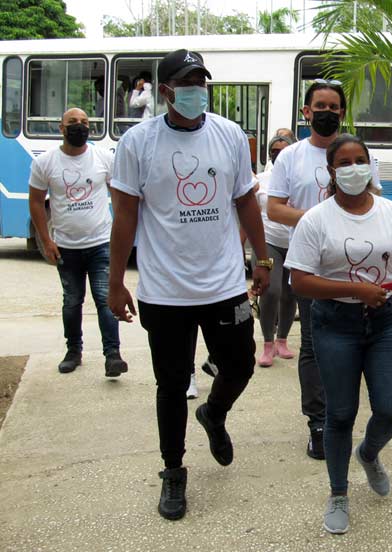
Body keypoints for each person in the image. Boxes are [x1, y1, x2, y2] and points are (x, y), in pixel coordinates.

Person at [107, 49, 271, 521]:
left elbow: (245, 201)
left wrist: (261, 257)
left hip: (224, 284)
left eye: (201, 80)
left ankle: (214, 413)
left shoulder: (230, 135)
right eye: (186, 81)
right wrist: (117, 283)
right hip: (165, 291)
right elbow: (125, 217)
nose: (196, 89)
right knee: (172, 383)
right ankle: (174, 471)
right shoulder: (137, 143)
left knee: (239, 364)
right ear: (165, 91)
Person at [285, 134, 392, 534]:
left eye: (360, 160)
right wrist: (355, 290)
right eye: (343, 163)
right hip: (334, 324)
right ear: (331, 171)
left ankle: (369, 453)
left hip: (384, 323)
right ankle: (338, 492)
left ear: (370, 165)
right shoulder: (316, 219)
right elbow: (300, 282)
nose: (353, 168)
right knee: (340, 415)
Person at [267, 80, 380, 460]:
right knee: (314, 345)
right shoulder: (291, 157)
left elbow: (374, 200)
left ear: (343, 113)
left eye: (334, 106)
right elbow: (275, 209)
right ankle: (317, 421)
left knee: (350, 341)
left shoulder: (357, 154)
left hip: (354, 266)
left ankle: (342, 416)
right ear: (306, 112)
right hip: (309, 266)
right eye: (320, 106)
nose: (327, 112)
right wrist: (319, 220)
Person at [28, 107, 128, 378]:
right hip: (65, 247)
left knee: (105, 299)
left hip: (100, 244)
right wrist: (46, 241)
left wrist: (122, 229)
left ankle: (113, 355)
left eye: (84, 122)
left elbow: (118, 197)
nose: (79, 126)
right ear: (61, 128)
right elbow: (36, 202)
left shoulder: (103, 158)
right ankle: (74, 350)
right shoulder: (45, 162)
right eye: (73, 122)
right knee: (72, 301)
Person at [253, 133, 299, 366]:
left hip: (295, 244)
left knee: (290, 293)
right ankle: (268, 344)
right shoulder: (261, 179)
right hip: (268, 242)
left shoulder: (299, 177)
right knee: (271, 292)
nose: (278, 154)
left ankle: (282, 340)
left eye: (283, 150)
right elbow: (248, 215)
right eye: (274, 150)